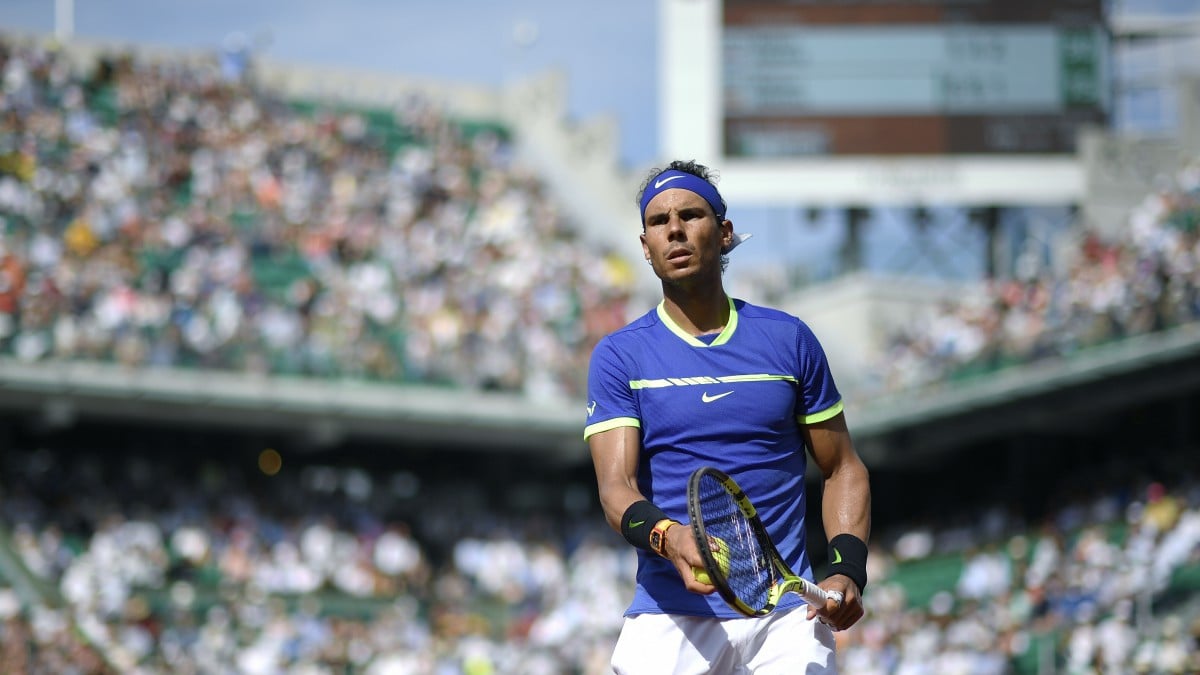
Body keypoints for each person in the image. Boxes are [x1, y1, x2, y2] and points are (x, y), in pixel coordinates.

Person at [584, 159, 872, 673]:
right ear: (646, 247)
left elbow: (842, 467)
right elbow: (615, 488)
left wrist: (846, 568)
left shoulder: (789, 340)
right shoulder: (619, 356)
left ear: (724, 233)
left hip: (788, 620)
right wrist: (671, 537)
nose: (674, 229)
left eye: (691, 214)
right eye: (658, 221)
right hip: (669, 616)